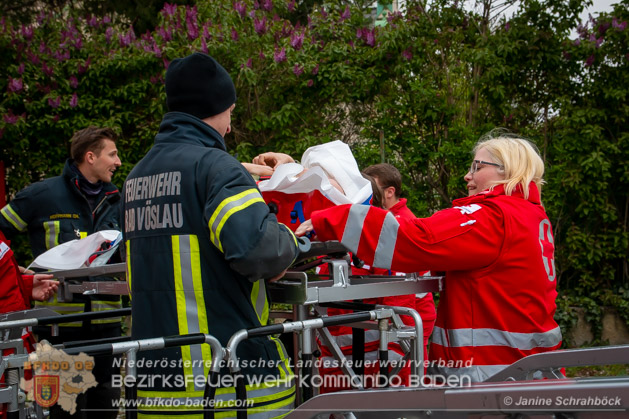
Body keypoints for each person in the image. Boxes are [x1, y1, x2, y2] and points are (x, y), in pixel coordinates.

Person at [296, 131, 562, 383]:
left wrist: (333, 219)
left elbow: (414, 239)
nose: (467, 176)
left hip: (491, 372)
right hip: (526, 366)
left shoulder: (492, 217)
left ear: (508, 171)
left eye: (477, 167)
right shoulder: (530, 214)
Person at [122, 52, 304, 418]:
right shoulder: (215, 167)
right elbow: (258, 251)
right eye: (230, 113)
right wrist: (291, 237)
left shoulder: (136, 177)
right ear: (213, 108)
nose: (230, 128)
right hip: (228, 384)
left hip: (154, 387)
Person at [0, 126, 123, 418]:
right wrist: (19, 276)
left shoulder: (118, 198)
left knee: (103, 404)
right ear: (90, 157)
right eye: (113, 154)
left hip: (107, 323)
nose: (118, 162)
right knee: (59, 407)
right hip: (56, 327)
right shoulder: (42, 194)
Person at [361, 163, 436, 358]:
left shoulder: (398, 224)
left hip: (411, 315)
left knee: (411, 371)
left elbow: (398, 291)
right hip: (410, 313)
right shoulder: (393, 219)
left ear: (389, 192)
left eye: (372, 189)